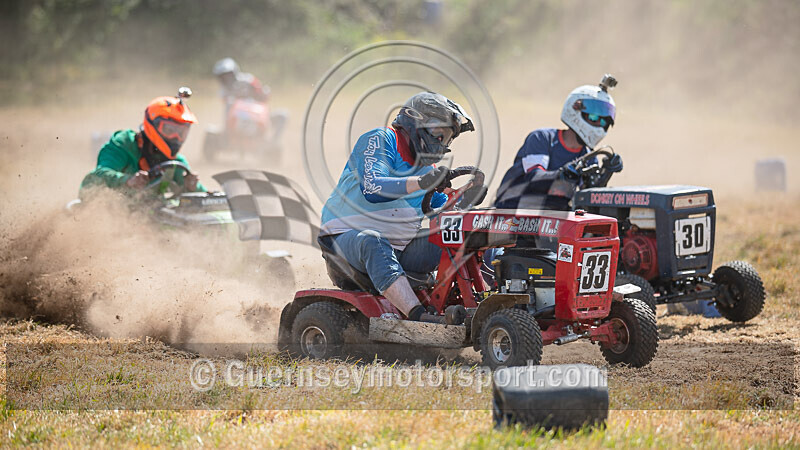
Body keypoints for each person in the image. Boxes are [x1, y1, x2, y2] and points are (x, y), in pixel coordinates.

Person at [318, 92, 477, 321]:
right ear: (416, 121)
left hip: (401, 250)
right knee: (373, 241)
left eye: (447, 139)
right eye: (438, 135)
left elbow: (443, 212)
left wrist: (462, 200)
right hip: (345, 246)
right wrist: (421, 183)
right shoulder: (381, 139)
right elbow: (373, 188)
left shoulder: (426, 169)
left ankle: (480, 304)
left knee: (465, 235)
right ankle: (420, 317)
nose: (442, 144)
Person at [494, 75, 623, 211]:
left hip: (552, 220)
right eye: (594, 117)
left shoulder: (588, 157)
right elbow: (534, 178)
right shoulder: (542, 139)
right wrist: (561, 175)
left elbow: (587, 201)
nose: (598, 124)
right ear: (575, 109)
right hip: (511, 212)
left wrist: (605, 174)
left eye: (603, 121)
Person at [80, 88, 206, 197]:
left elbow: (202, 196)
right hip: (113, 213)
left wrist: (191, 187)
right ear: (152, 124)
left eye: (181, 133)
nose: (176, 137)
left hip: (149, 218)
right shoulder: (123, 144)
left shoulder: (176, 163)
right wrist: (127, 181)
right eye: (169, 130)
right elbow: (97, 175)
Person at [212, 57, 286, 141]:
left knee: (283, 115)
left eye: (228, 75)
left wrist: (261, 94)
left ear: (234, 72)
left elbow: (262, 92)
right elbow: (226, 102)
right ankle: (228, 134)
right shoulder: (224, 91)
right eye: (223, 77)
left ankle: (274, 141)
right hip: (237, 118)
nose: (226, 79)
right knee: (229, 104)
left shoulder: (248, 80)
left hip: (256, 113)